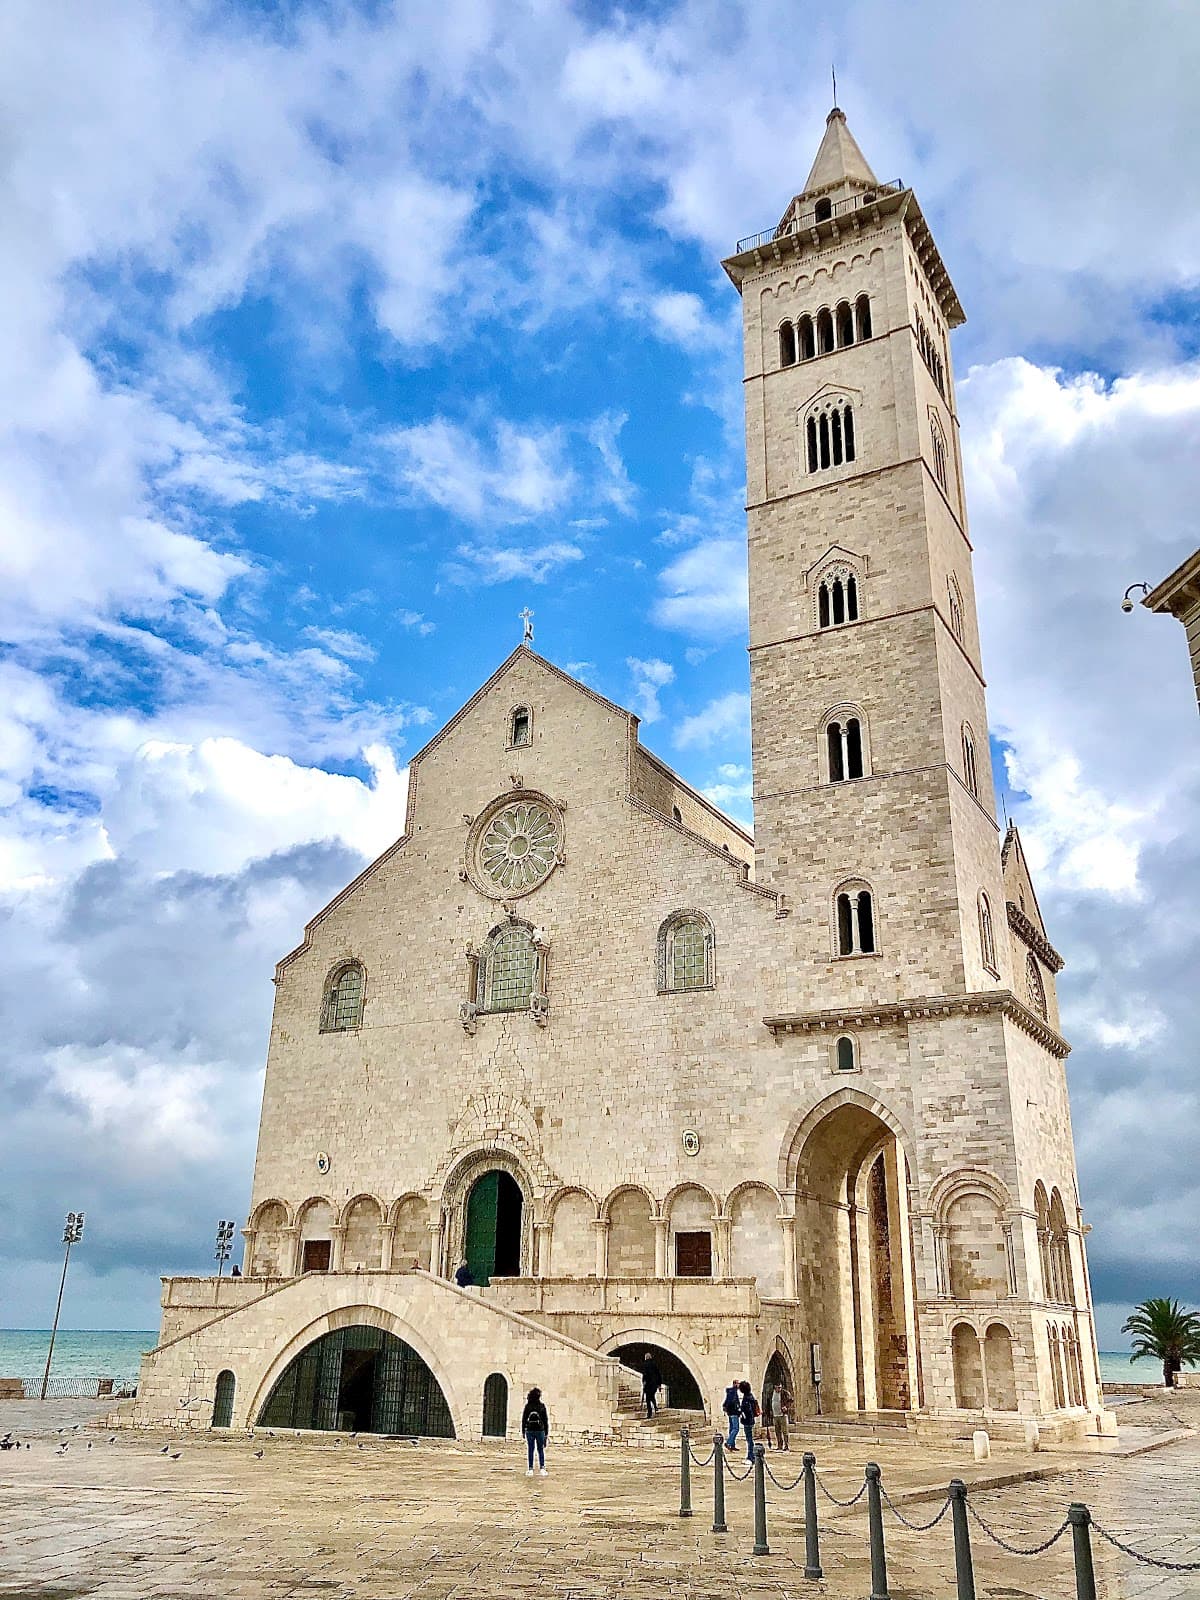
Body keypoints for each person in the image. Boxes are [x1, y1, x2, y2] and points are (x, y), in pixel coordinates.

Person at [521, 1386, 549, 1476]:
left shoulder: (528, 1406)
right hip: (540, 1431)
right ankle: (542, 1468)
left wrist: (523, 1431)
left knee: (531, 1449)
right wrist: (546, 1433)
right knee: (540, 1449)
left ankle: (530, 1469)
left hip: (529, 1430)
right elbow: (545, 1420)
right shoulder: (541, 1406)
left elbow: (524, 1419)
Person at [738, 1380, 759, 1462]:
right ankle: (750, 1456)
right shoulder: (750, 1396)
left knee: (749, 1440)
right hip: (750, 1420)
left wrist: (742, 1413)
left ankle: (751, 1457)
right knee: (749, 1439)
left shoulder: (746, 1398)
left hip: (748, 1421)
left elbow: (748, 1410)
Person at [641, 1352, 663, 1418]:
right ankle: (655, 1407)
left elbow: (645, 1374)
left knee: (648, 1399)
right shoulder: (654, 1364)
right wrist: (659, 1384)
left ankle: (649, 1413)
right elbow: (658, 1374)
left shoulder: (645, 1364)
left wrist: (644, 1382)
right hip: (654, 1384)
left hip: (648, 1384)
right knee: (652, 1396)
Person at [722, 1380, 741, 1451]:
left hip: (730, 1412)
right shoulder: (733, 1392)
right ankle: (729, 1443)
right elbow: (734, 1403)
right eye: (738, 1383)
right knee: (736, 1428)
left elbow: (726, 1401)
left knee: (732, 1428)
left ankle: (732, 1445)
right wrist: (738, 1410)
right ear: (735, 1384)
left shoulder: (730, 1392)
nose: (739, 1385)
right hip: (734, 1413)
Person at [771, 1383, 791, 1451]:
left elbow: (790, 1401)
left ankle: (786, 1446)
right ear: (775, 1387)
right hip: (775, 1415)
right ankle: (780, 1445)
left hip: (782, 1415)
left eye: (780, 1387)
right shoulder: (771, 1393)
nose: (779, 1389)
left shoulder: (784, 1393)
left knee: (785, 1431)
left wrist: (786, 1407)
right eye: (778, 1387)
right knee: (777, 1431)